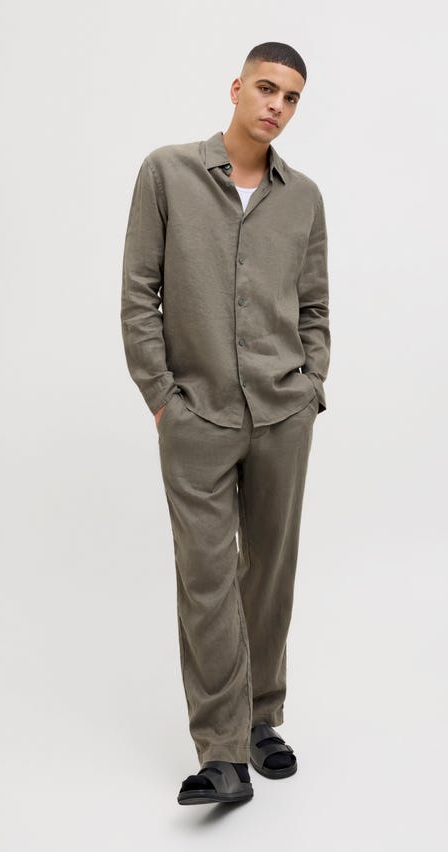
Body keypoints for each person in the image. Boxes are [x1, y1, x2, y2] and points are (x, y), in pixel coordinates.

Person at [120, 41, 331, 806]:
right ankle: (221, 752)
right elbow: (138, 292)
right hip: (197, 415)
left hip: (282, 414)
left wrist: (310, 386)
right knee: (206, 580)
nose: (277, 105)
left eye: (291, 97)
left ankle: (262, 719)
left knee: (268, 575)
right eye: (267, 88)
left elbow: (314, 306)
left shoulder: (303, 198)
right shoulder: (167, 173)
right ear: (236, 87)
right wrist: (162, 398)